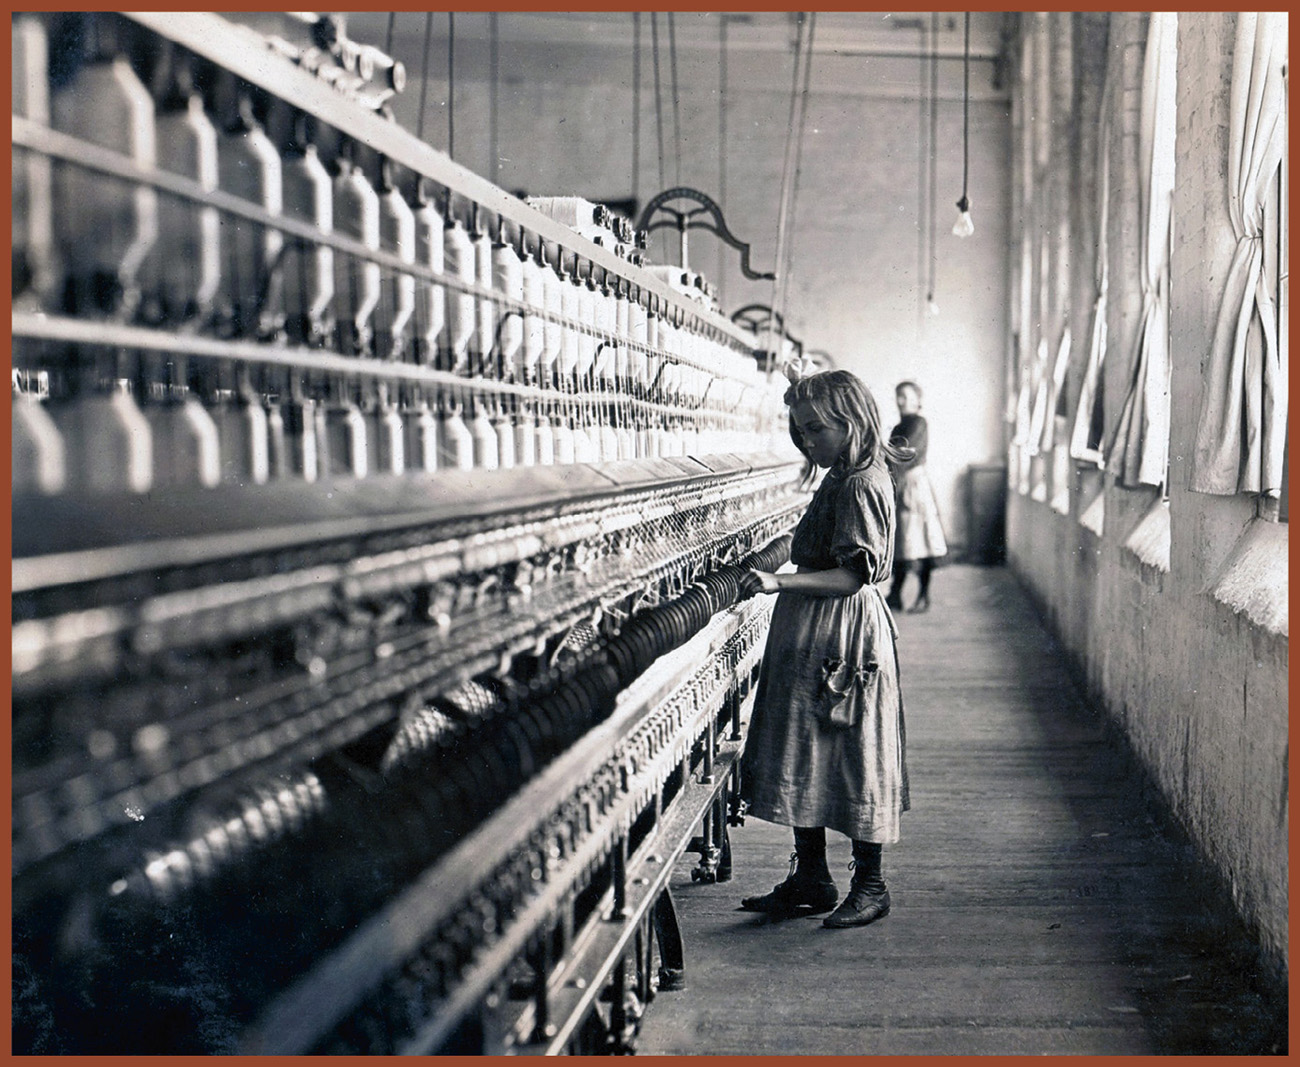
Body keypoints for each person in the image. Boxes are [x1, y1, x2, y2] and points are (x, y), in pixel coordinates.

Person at [737, 368, 910, 929]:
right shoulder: (842, 474)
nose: (806, 440)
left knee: (853, 751)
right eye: (799, 429)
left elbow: (852, 577)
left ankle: (871, 884)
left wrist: (776, 582)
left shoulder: (860, 482)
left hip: (842, 630)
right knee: (805, 747)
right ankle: (810, 875)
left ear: (852, 422)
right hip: (815, 629)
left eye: (816, 429)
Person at [885, 380, 948, 613]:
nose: (901, 401)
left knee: (921, 542)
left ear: (917, 400)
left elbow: (904, 454)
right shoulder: (898, 427)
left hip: (913, 486)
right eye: (898, 396)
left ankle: (923, 595)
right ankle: (895, 594)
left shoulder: (919, 423)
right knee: (902, 541)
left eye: (906, 396)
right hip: (901, 485)